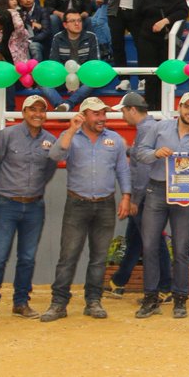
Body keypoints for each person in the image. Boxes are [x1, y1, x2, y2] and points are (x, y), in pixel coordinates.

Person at [40, 97, 132, 323]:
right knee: (68, 256)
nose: (102, 118)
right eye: (97, 114)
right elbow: (55, 156)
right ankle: (59, 303)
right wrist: (72, 130)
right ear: (84, 115)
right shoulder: (71, 136)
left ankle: (93, 301)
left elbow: (122, 169)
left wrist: (126, 197)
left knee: (99, 257)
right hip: (77, 203)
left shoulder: (115, 139)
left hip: (105, 204)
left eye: (104, 114)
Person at [134, 91, 189, 320]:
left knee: (181, 249)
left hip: (185, 195)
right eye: (186, 106)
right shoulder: (159, 128)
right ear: (179, 107)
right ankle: (151, 298)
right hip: (157, 190)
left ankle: (180, 298)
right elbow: (139, 153)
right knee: (149, 245)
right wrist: (155, 153)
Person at [0, 95, 58, 323]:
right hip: (6, 205)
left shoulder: (50, 140)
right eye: (32, 109)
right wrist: (7, 186)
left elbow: (49, 170)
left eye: (41, 110)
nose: (37, 114)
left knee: (27, 258)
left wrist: (33, 189)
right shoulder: (6, 135)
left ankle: (21, 302)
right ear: (23, 112)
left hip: (35, 206)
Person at [106, 92, 172, 300]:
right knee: (135, 239)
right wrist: (128, 150)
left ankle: (165, 287)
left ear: (132, 110)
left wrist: (134, 199)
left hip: (145, 196)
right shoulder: (151, 127)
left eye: (124, 111)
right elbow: (140, 157)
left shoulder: (146, 130)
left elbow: (143, 168)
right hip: (150, 193)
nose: (123, 115)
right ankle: (119, 281)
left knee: (153, 241)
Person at [135, 0, 188, 109]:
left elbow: (183, 12)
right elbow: (138, 16)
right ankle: (150, 107)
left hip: (166, 41)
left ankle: (162, 108)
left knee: (163, 74)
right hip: (147, 40)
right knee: (150, 75)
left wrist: (165, 21)